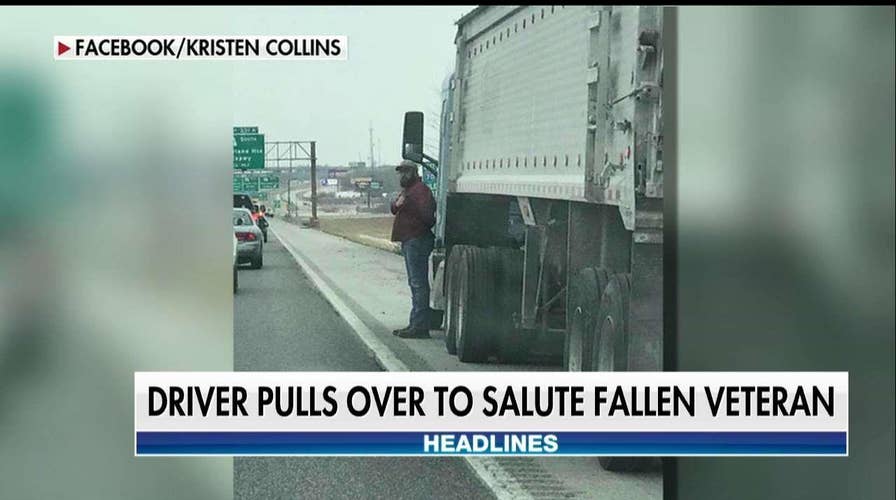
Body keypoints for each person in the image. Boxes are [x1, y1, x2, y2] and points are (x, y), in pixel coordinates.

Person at [390, 160, 436, 339]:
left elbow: (428, 216)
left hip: (417, 240)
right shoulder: (407, 191)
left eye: (405, 172)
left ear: (413, 172)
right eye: (400, 172)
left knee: (418, 284)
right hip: (409, 240)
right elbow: (394, 208)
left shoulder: (420, 190)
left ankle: (419, 326)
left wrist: (408, 206)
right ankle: (415, 323)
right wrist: (399, 204)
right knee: (415, 283)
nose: (402, 175)